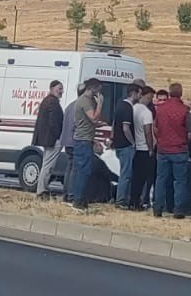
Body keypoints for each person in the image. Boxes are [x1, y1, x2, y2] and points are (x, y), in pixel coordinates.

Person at [153, 84, 191, 218]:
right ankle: (178, 210)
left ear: (169, 93)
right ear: (181, 93)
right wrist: (185, 141)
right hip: (179, 149)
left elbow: (155, 128)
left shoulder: (160, 109)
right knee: (180, 181)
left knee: (160, 179)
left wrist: (160, 140)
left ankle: (157, 208)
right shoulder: (184, 110)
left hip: (163, 149)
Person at [70, 79, 104, 211]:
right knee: (83, 171)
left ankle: (81, 198)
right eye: (98, 89)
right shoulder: (84, 101)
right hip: (83, 141)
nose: (99, 92)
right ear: (92, 88)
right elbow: (94, 118)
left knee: (83, 170)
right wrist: (100, 104)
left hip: (86, 139)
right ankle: (78, 200)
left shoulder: (87, 101)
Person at [31, 80, 65, 199]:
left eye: (61, 89)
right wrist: (58, 136)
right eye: (59, 88)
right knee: (48, 165)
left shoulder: (48, 101)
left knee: (46, 164)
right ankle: (42, 191)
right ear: (52, 88)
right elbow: (54, 122)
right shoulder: (52, 102)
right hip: (52, 139)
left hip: (48, 138)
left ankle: (42, 189)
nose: (61, 91)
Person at [111, 85, 141, 208]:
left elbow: (114, 124)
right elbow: (126, 128)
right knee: (126, 174)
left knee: (124, 172)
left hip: (118, 144)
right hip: (125, 145)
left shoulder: (119, 105)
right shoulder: (128, 107)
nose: (140, 96)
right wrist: (133, 142)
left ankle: (121, 198)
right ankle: (121, 200)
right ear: (133, 94)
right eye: (139, 94)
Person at [130, 87, 157, 210]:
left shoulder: (133, 109)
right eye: (149, 97)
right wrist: (151, 148)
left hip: (134, 147)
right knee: (142, 178)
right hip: (144, 148)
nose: (150, 100)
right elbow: (148, 132)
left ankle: (131, 200)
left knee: (134, 176)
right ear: (143, 96)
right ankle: (137, 202)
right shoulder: (147, 112)